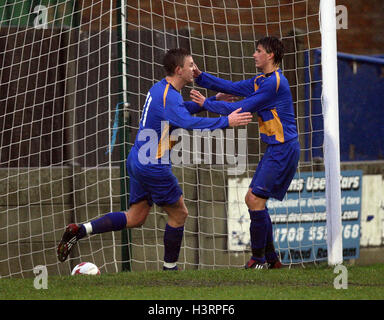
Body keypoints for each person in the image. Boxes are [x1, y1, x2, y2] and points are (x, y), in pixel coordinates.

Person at [57, 48, 252, 270]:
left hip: (139, 158)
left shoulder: (162, 89)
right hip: (153, 166)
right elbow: (188, 123)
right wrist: (227, 121)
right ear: (179, 70)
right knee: (179, 214)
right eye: (190, 65)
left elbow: (179, 113)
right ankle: (170, 269)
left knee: (135, 217)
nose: (195, 68)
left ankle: (81, 230)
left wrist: (212, 100)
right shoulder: (168, 96)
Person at [190, 36, 300, 269]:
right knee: (255, 200)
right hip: (277, 148)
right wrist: (200, 77)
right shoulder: (263, 80)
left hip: (283, 149)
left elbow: (238, 108)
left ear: (270, 55)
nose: (254, 54)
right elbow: (231, 88)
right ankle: (271, 260)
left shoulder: (274, 84)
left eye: (258, 50)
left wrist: (205, 104)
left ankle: (258, 259)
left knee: (253, 199)